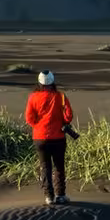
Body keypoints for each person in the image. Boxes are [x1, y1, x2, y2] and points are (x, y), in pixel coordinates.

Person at [24, 70, 75, 205]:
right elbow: (68, 116)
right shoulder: (61, 97)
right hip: (58, 137)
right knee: (59, 167)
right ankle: (60, 195)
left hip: (40, 138)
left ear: (39, 83)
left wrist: (39, 126)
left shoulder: (33, 97)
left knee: (45, 167)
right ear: (53, 82)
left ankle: (49, 197)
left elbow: (29, 118)